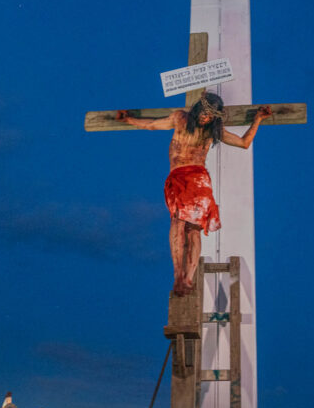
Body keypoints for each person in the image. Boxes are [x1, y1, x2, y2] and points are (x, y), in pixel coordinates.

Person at [116, 94, 270, 295]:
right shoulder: (180, 118)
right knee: (178, 223)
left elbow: (244, 143)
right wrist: (128, 120)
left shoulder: (213, 131)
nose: (206, 119)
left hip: (198, 180)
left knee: (193, 229)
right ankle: (179, 274)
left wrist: (257, 119)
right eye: (205, 114)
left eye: (211, 117)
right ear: (199, 109)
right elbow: (152, 125)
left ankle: (186, 277)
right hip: (179, 178)